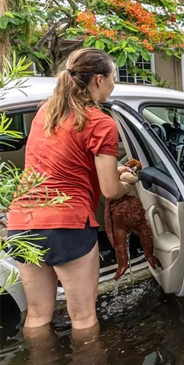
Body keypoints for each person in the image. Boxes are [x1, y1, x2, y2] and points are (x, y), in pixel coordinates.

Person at [6, 48, 136, 334]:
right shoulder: (100, 122)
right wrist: (129, 182)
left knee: (38, 316)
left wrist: (110, 173)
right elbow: (111, 191)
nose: (114, 85)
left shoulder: (46, 112)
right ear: (99, 79)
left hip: (22, 221)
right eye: (114, 78)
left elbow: (63, 163)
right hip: (66, 224)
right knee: (83, 318)